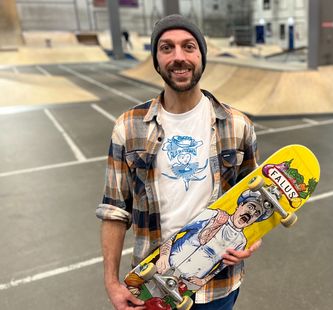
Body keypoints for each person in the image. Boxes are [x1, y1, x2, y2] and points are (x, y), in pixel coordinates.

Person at [97, 14, 261, 310]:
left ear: (201, 56)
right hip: (152, 286)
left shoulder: (238, 126)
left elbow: (254, 197)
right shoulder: (129, 127)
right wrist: (111, 282)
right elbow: (114, 211)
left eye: (188, 47)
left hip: (218, 286)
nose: (178, 57)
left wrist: (250, 240)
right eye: (167, 48)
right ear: (156, 60)